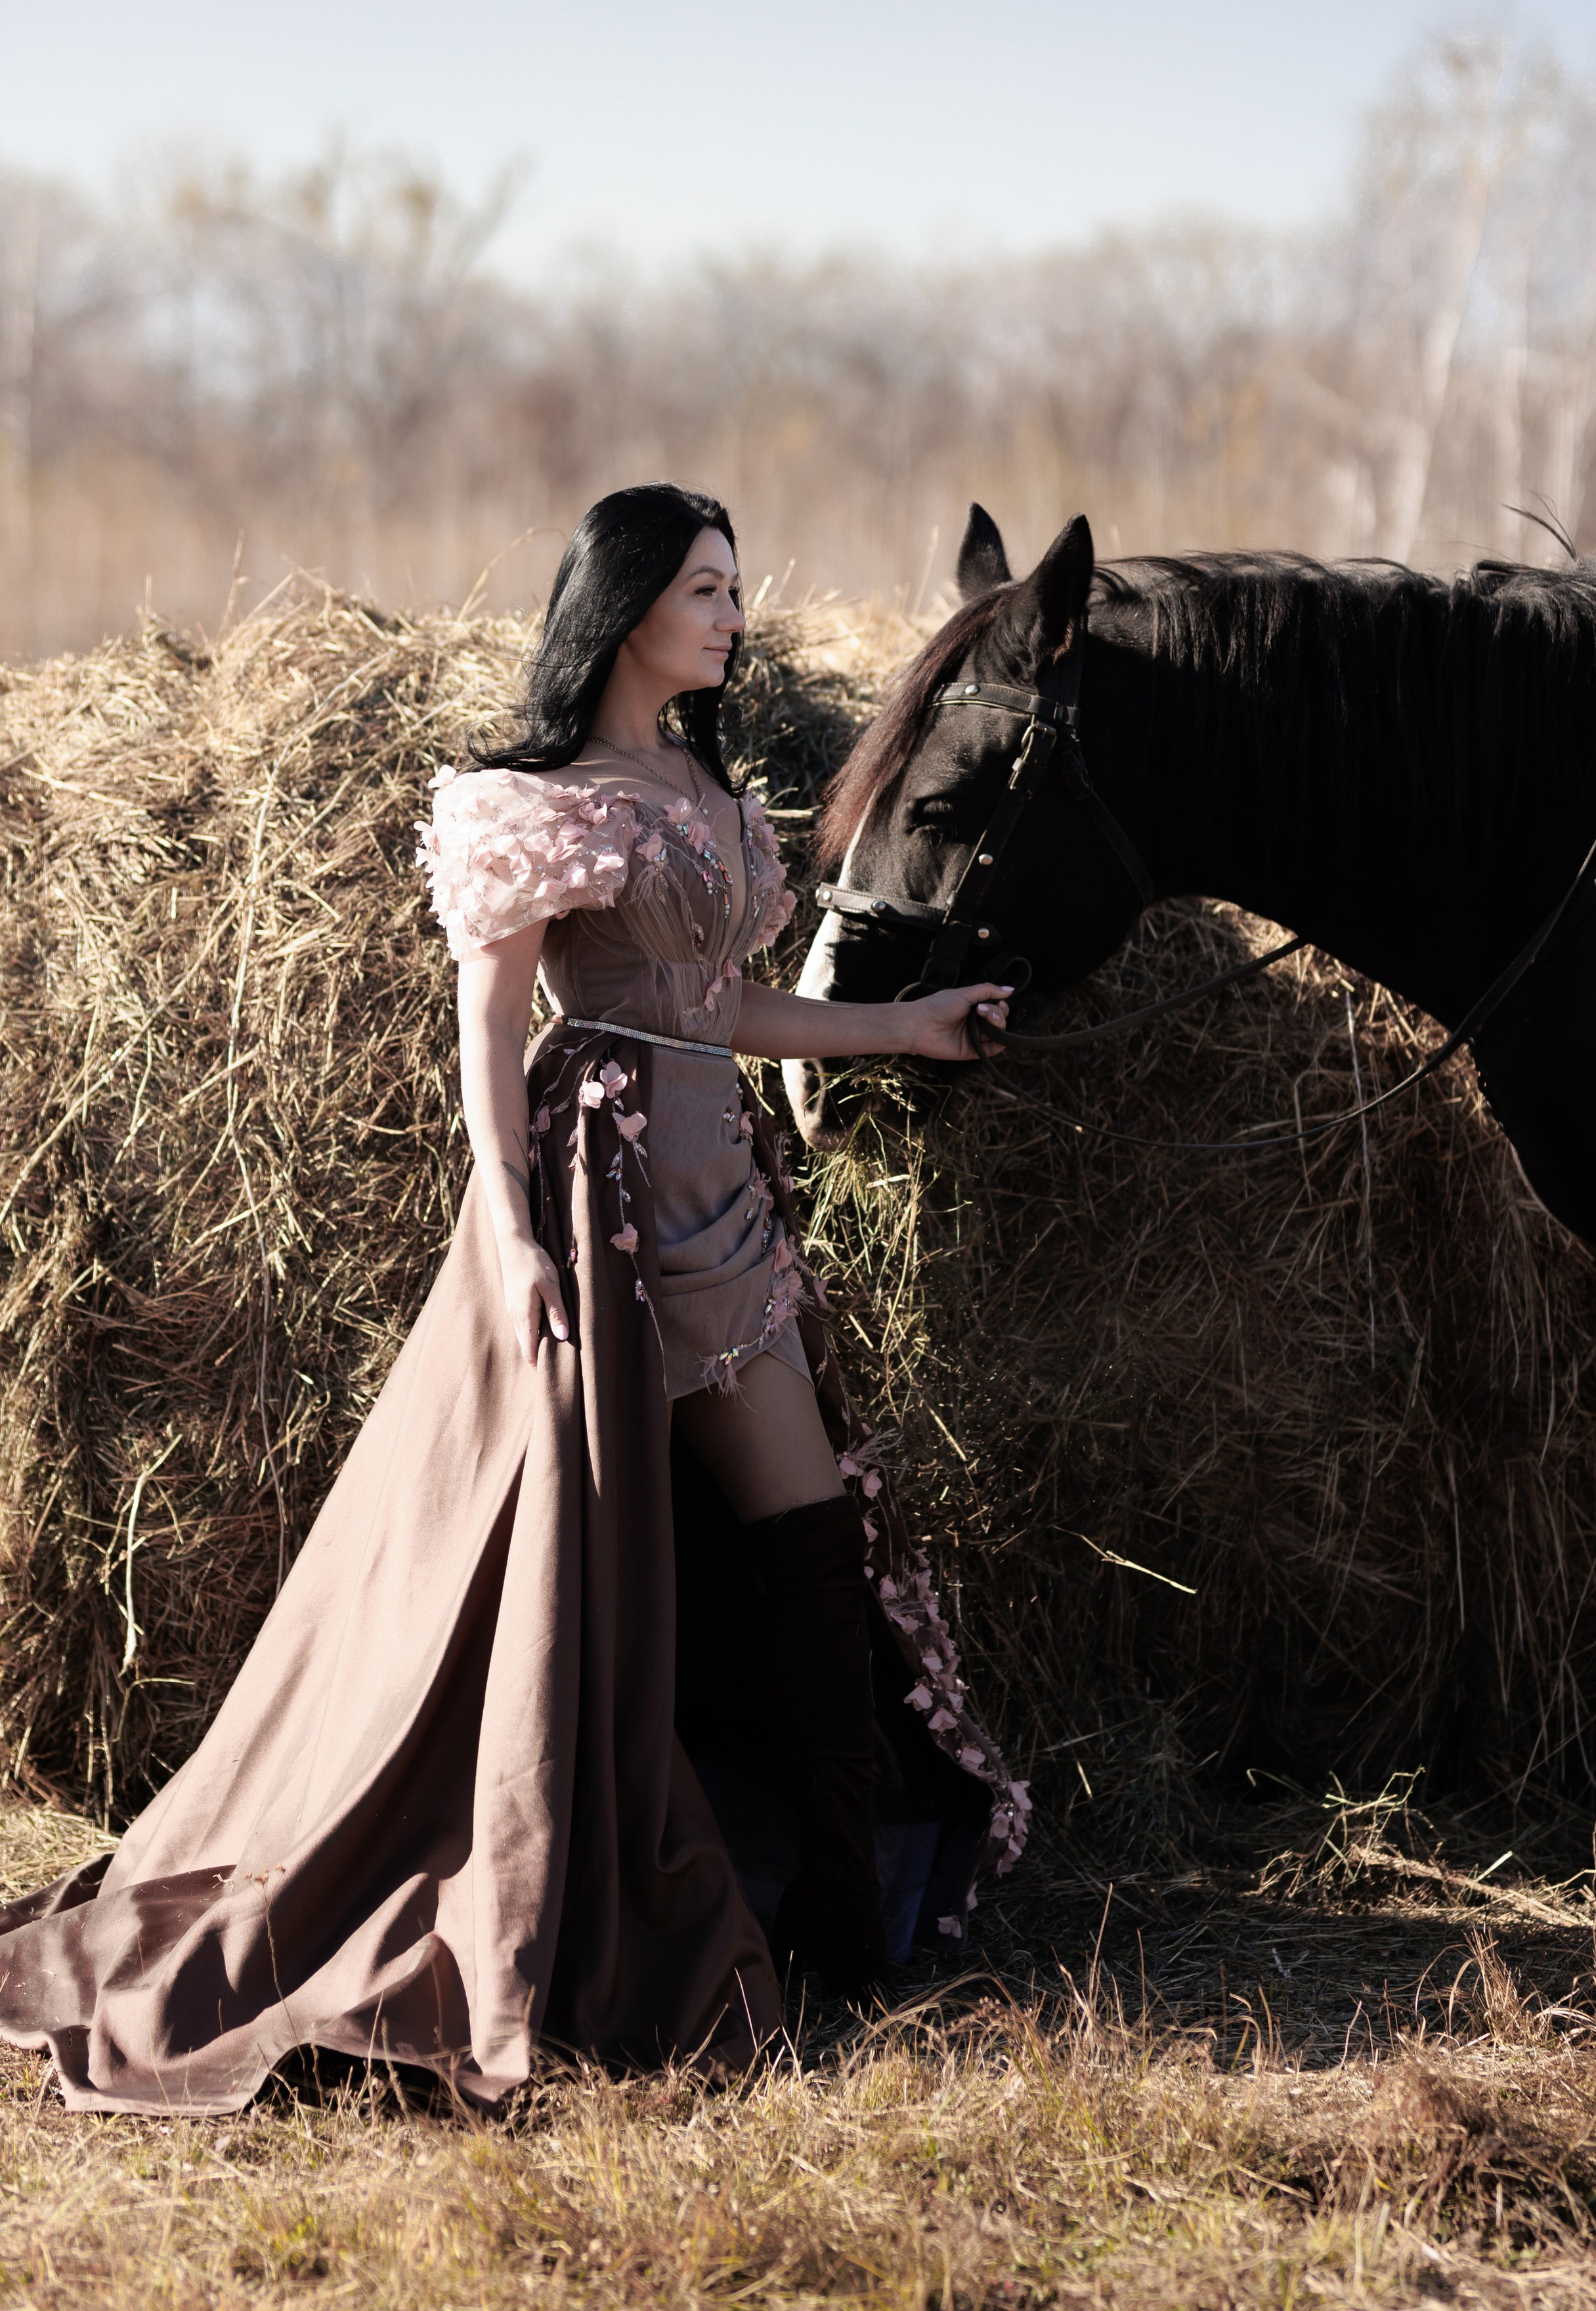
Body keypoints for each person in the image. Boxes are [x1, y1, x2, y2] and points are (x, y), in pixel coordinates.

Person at [0, 483, 1027, 2118]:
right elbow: (491, 1027)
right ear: (625, 607)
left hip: (727, 1206)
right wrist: (509, 1223)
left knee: (812, 1545)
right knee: (577, 1556)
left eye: (736, 588)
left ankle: (844, 1918)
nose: (733, 615)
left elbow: (729, 1006)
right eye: (704, 587)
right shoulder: (531, 797)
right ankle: (541, 1892)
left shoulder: (707, 788)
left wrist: (907, 1032)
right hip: (597, 1195)